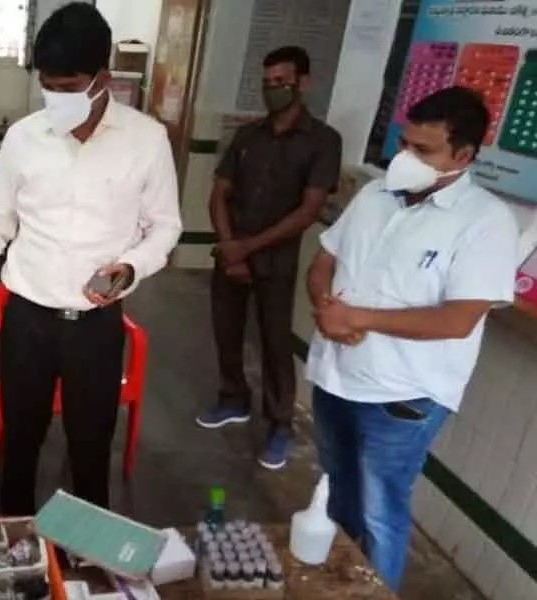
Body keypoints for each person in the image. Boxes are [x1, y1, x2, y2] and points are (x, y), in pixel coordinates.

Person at [0, 3, 182, 515]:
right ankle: (17, 552)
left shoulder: (146, 140)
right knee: (20, 443)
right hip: (27, 319)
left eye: (70, 88)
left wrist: (132, 266)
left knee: (91, 448)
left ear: (103, 79)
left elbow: (165, 228)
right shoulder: (25, 137)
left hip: (96, 325)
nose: (58, 99)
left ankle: (85, 565)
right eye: (49, 87)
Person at [306, 86, 517, 590]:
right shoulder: (374, 193)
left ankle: (376, 589)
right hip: (335, 377)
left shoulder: (486, 222)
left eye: (423, 151)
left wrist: (357, 318)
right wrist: (324, 307)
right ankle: (341, 584)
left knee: (382, 510)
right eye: (404, 144)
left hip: (403, 397)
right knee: (339, 495)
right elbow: (324, 260)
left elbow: (458, 319)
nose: (406, 158)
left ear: (462, 156)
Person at [195, 46, 342, 471]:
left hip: (275, 262)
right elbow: (219, 193)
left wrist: (248, 247)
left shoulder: (322, 141)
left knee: (276, 343)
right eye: (267, 81)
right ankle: (232, 397)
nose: (273, 88)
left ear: (303, 82)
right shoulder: (248, 135)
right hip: (231, 256)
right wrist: (229, 246)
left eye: (282, 81)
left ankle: (280, 423)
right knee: (226, 331)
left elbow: (308, 210)